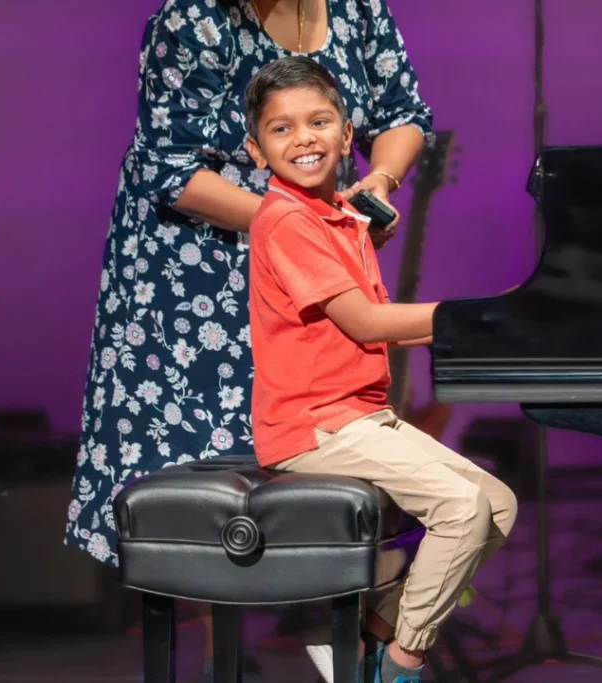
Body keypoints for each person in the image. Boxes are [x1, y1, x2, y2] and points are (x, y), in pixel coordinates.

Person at [65, 0, 431, 678]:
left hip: (305, 270)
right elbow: (171, 170)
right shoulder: (192, 20)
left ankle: (351, 638)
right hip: (192, 287)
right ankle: (220, 664)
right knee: (205, 476)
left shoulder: (357, 7)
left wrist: (379, 180)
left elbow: (403, 110)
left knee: (347, 456)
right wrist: (307, 224)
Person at [244, 56, 518, 683]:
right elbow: (366, 324)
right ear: (257, 151)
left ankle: (363, 644)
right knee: (461, 511)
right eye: (280, 130)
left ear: (348, 137)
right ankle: (400, 665)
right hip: (314, 426)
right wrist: (476, 316)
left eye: (319, 122)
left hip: (361, 416)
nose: (303, 138)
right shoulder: (285, 220)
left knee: (497, 505)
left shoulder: (339, 216)